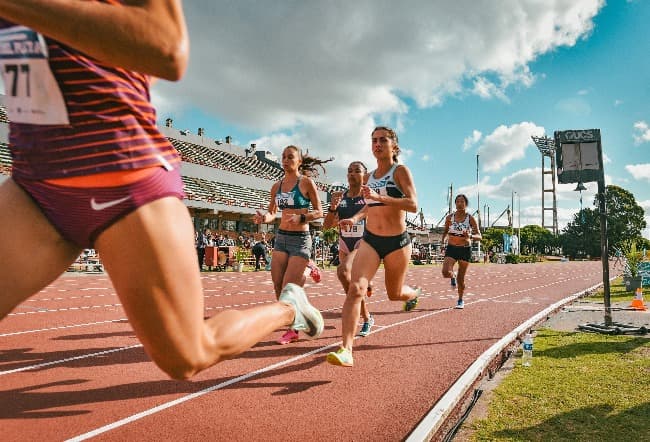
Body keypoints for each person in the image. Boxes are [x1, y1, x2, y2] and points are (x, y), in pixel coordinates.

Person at [0, 1, 323, 380]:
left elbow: (168, 47)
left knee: (186, 355)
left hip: (126, 180)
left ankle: (290, 309)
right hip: (36, 184)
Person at [327, 126, 420, 367]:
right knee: (355, 288)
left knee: (394, 293)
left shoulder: (400, 171)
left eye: (383, 140)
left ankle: (413, 294)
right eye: (374, 140)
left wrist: (381, 198)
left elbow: (412, 204)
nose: (377, 144)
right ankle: (346, 349)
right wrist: (355, 219)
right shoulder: (368, 178)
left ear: (394, 146)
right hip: (370, 240)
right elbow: (368, 207)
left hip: (397, 243)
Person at [253, 145, 329, 344]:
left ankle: (294, 330)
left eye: (290, 157)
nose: (286, 160)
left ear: (299, 161)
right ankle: (292, 323)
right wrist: (264, 218)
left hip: (300, 240)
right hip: (281, 238)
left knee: (288, 288)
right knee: (278, 285)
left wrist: (302, 217)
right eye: (283, 157)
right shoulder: (276, 186)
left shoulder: (306, 183)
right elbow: (272, 212)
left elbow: (320, 211)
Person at [323, 161, 374, 337]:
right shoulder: (340, 196)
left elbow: (370, 214)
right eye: (349, 171)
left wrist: (355, 219)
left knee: (343, 271)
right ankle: (366, 317)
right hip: (345, 243)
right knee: (352, 284)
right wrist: (332, 208)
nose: (352, 174)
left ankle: (360, 312)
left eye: (357, 171)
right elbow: (326, 227)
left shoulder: (368, 195)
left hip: (364, 243)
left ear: (365, 175)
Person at [440, 194, 482, 309]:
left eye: (462, 201)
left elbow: (479, 236)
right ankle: (452, 276)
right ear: (455, 204)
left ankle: (460, 300)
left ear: (466, 204)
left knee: (461, 279)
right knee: (445, 272)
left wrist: (470, 236)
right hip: (452, 248)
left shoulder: (470, 218)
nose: (459, 203)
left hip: (464, 249)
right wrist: (443, 241)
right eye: (458, 201)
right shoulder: (449, 218)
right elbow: (444, 232)